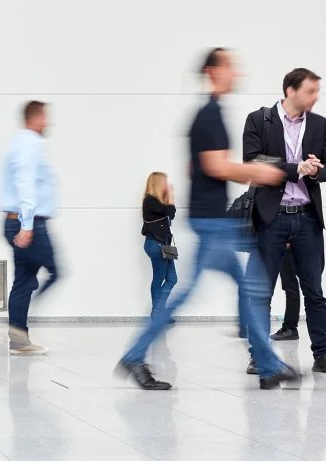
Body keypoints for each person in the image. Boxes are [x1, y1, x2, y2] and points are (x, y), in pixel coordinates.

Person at [118, 48, 299, 390]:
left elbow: (195, 166)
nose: (237, 73)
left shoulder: (205, 115)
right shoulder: (210, 115)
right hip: (213, 222)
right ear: (214, 71)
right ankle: (135, 356)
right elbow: (215, 166)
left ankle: (268, 366)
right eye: (231, 66)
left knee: (248, 288)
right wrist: (261, 171)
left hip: (211, 219)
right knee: (240, 289)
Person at [241, 68, 326, 372]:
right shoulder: (259, 120)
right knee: (262, 291)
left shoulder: (319, 124)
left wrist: (316, 170)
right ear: (291, 90)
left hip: (307, 219)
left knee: (314, 291)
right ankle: (260, 354)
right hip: (270, 218)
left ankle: (323, 354)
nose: (315, 97)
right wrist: (296, 169)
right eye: (310, 91)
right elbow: (252, 162)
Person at [0, 101, 58, 355]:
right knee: (57, 271)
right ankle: (26, 322)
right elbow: (26, 183)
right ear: (35, 118)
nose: (48, 122)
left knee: (23, 280)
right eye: (45, 117)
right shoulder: (31, 143)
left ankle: (19, 339)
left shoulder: (18, 142)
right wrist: (27, 225)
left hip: (18, 221)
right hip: (28, 223)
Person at [141, 172, 177, 321]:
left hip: (165, 244)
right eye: (164, 182)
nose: (166, 185)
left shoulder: (158, 201)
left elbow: (171, 214)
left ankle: (159, 311)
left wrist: (168, 197)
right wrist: (171, 195)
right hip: (155, 244)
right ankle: (157, 314)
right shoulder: (150, 200)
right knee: (159, 278)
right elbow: (169, 210)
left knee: (172, 278)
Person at [271, 246, 301, 340]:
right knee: (290, 285)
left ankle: (290, 328)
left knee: (290, 285)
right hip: (285, 243)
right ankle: (290, 327)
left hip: (287, 245)